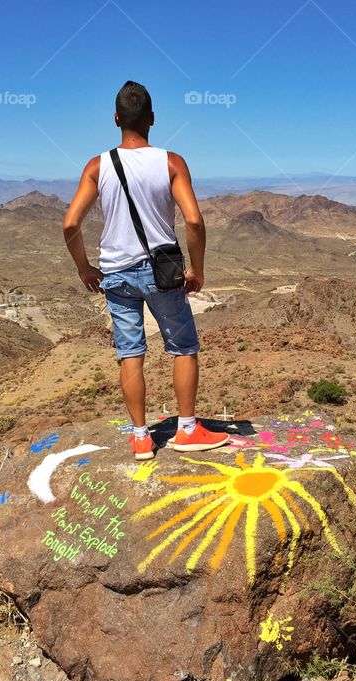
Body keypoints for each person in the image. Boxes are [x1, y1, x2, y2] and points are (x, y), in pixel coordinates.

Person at [63, 80, 229, 460]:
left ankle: (141, 437)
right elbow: (194, 221)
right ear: (152, 119)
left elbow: (70, 224)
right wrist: (198, 269)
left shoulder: (97, 166)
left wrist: (84, 268)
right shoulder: (171, 162)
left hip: (115, 274)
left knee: (130, 353)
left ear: (116, 119)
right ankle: (187, 429)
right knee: (183, 347)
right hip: (162, 272)